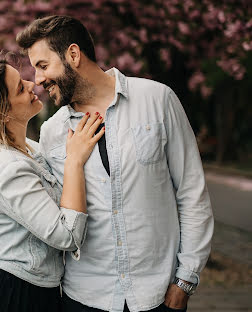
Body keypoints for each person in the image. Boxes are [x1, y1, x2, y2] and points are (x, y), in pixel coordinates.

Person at [16, 15, 214, 312]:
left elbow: (192, 193)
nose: (38, 79)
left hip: (157, 296)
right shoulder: (52, 132)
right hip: (83, 297)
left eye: (43, 66)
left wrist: (184, 282)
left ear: (73, 54)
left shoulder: (158, 100)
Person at [0, 57, 106, 312]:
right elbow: (66, 236)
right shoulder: (6, 166)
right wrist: (74, 160)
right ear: (2, 111)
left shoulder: (30, 150)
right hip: (11, 296)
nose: (32, 84)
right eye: (20, 88)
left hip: (33, 289)